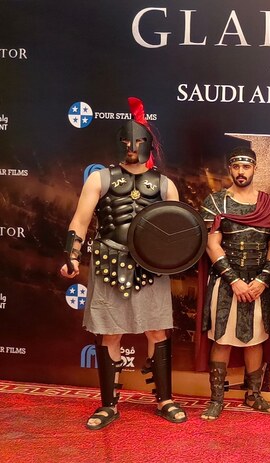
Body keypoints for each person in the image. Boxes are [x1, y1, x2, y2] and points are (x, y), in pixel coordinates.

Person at [60, 97, 186, 430]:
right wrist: (72, 256)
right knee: (110, 332)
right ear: (119, 143)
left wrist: (173, 261)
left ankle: (165, 399)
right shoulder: (99, 178)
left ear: (148, 144)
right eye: (127, 142)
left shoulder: (164, 184)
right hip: (109, 261)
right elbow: (81, 220)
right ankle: (109, 405)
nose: (132, 147)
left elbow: (177, 230)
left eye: (139, 141)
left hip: (150, 265)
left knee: (157, 330)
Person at [199, 146, 270, 419]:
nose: (241, 172)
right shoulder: (216, 202)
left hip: (260, 281)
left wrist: (263, 279)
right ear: (230, 169)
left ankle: (253, 395)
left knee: (255, 340)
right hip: (226, 281)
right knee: (222, 338)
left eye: (246, 166)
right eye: (236, 166)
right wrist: (233, 280)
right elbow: (212, 244)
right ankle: (216, 399)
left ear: (254, 168)